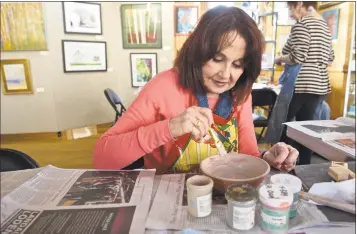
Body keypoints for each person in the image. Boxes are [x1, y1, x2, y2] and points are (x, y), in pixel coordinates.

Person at [94, 6, 298, 174]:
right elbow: (102, 158)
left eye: (237, 64)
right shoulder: (163, 87)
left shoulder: (239, 93)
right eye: (217, 60)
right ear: (197, 52)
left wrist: (267, 158)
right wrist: (170, 127)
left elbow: (247, 156)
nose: (226, 75)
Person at [275, 2, 335, 164]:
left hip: (301, 83)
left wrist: (280, 59)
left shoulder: (303, 24)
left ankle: (279, 163)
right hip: (320, 84)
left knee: (283, 126)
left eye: (290, 8)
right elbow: (330, 58)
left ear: (300, 3)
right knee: (307, 130)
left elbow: (297, 57)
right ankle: (304, 167)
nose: (290, 14)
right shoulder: (324, 26)